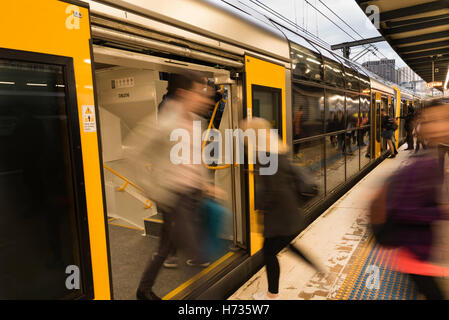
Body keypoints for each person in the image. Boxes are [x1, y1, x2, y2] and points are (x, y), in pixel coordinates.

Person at [125, 71, 214, 300]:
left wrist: (205, 183)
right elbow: (133, 154)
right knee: (195, 254)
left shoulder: (197, 122)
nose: (205, 99)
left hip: (192, 194)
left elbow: (194, 156)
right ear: (184, 94)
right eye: (199, 93)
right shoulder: (165, 123)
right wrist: (158, 193)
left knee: (165, 247)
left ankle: (143, 290)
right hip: (175, 198)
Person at [241, 118, 323, 300]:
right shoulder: (276, 149)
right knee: (284, 244)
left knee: (269, 253)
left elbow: (273, 189)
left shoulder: (264, 155)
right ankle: (317, 268)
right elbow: (280, 175)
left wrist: (261, 206)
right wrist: (258, 173)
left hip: (278, 214)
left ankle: (272, 294)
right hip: (288, 211)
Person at [384, 99, 449, 299]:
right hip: (412, 253)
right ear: (421, 127)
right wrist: (442, 211)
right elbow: (401, 209)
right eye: (434, 121)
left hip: (420, 252)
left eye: (446, 119)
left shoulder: (430, 159)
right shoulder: (421, 166)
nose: (443, 125)